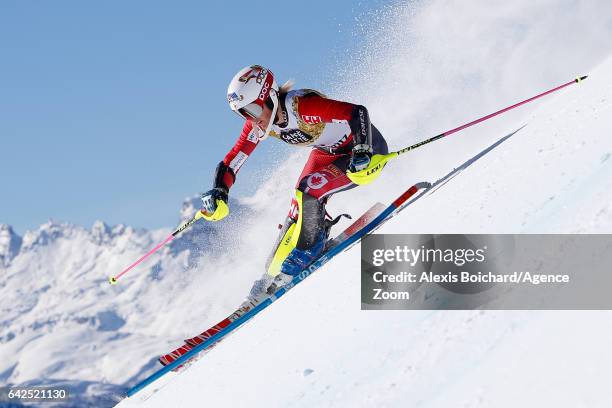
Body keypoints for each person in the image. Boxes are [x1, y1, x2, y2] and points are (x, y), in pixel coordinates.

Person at [201, 65, 388, 304]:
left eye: (252, 109)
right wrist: (219, 190)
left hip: (365, 152)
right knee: (296, 211)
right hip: (328, 154)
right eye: (243, 114)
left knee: (309, 190)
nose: (251, 119)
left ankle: (309, 249)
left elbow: (357, 112)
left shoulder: (302, 107)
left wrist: (363, 149)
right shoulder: (259, 124)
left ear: (268, 97)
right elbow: (233, 161)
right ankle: (270, 276)